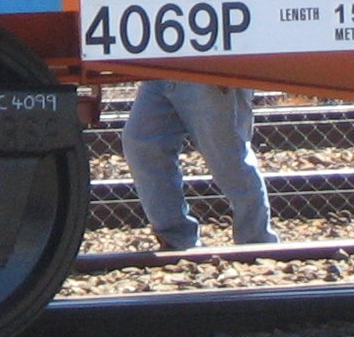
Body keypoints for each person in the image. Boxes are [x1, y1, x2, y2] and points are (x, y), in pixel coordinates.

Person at [119, 79, 277, 250]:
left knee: (229, 159)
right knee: (141, 144)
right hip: (159, 69)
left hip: (206, 70)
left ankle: (256, 242)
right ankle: (176, 239)